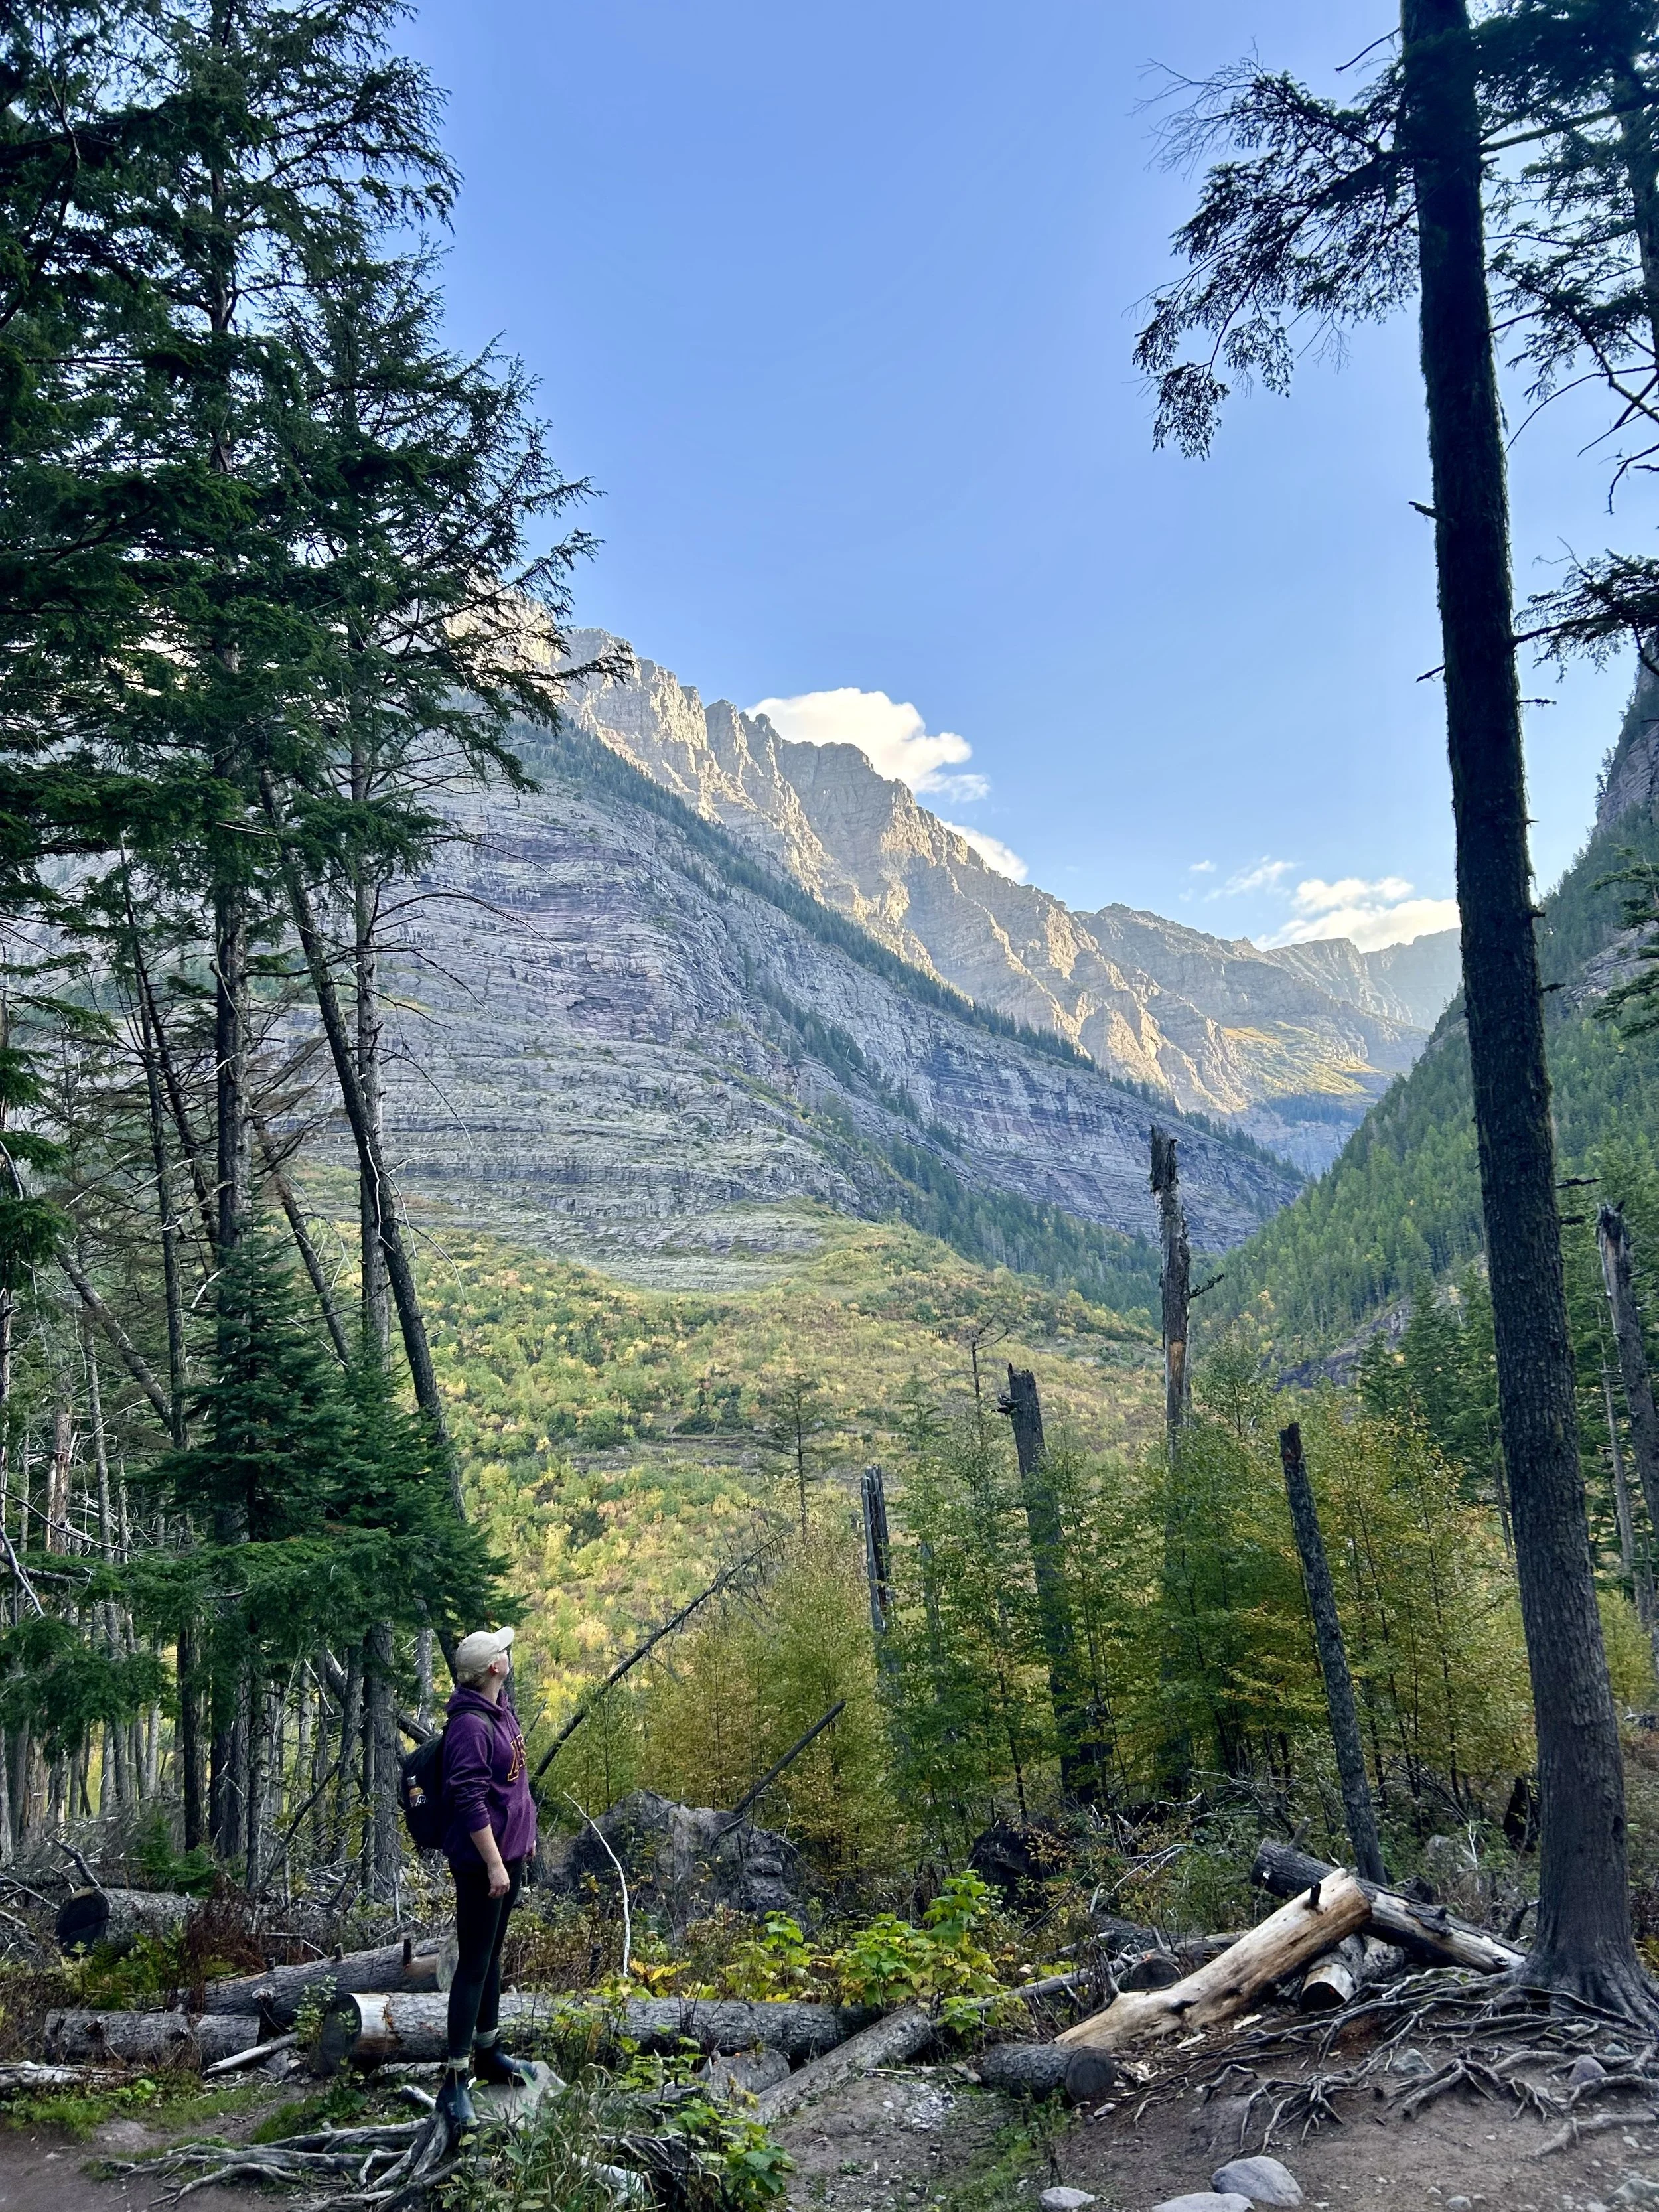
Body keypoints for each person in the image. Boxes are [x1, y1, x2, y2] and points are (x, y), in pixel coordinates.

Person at [435, 1625, 538, 2132]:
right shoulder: (471, 1725)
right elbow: (470, 1798)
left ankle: (488, 2052)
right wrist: (496, 1862)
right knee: (474, 1963)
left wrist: (527, 1833)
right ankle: (453, 2082)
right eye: (504, 1648)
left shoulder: (500, 1708)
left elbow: (513, 1781)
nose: (508, 1651)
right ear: (494, 1667)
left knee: (492, 1956)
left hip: (509, 1854)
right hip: (482, 1864)